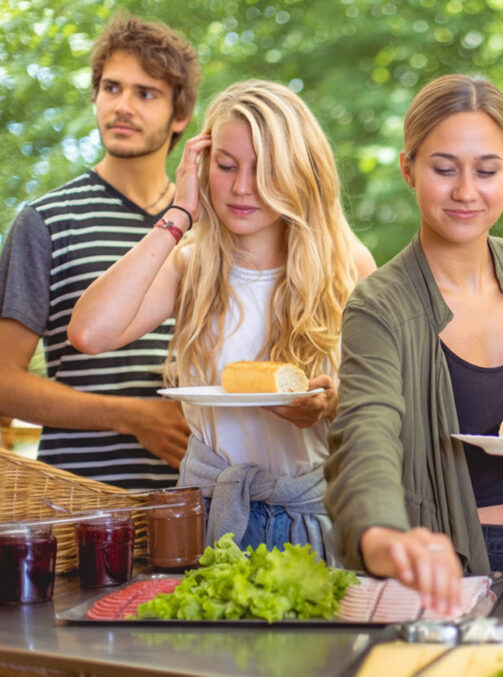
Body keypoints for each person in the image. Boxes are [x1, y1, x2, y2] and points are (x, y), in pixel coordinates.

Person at [323, 74, 503, 614]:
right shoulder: (379, 305)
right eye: (443, 169)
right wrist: (384, 537)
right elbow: (365, 434)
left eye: (486, 170)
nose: (466, 191)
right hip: (449, 567)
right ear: (408, 168)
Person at [68, 80, 376, 560]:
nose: (241, 187)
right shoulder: (190, 265)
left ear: (298, 171)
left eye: (264, 169)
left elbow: (381, 405)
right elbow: (89, 332)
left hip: (313, 516)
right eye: (226, 166)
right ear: (203, 166)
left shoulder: (348, 264)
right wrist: (178, 214)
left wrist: (331, 403)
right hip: (208, 511)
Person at [0, 13, 200, 490]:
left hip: (200, 501)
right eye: (111, 88)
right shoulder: (46, 220)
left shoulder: (209, 224)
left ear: (180, 115)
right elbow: (4, 382)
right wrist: (131, 416)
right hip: (80, 505)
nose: (122, 106)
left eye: (145, 93)